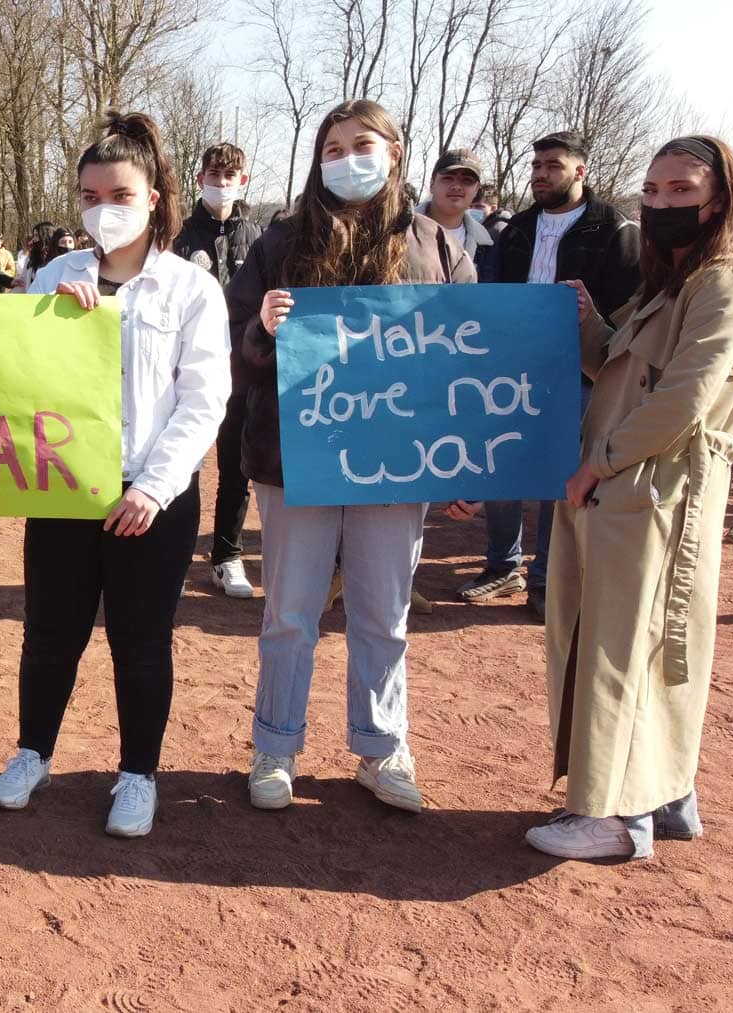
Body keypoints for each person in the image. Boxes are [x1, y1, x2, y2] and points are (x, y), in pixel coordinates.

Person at [226, 99, 476, 815]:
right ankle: (275, 744)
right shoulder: (279, 240)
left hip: (397, 461)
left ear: (395, 153)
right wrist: (260, 330)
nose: (346, 158)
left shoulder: (439, 245)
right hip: (291, 455)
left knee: (382, 612)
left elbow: (468, 355)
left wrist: (461, 462)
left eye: (361, 144)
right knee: (290, 613)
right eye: (332, 148)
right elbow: (237, 338)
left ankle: (382, 744)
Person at [527, 136, 733, 861]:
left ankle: (614, 815)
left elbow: (684, 399)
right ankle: (667, 794)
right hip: (630, 488)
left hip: (655, 489)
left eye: (682, 189)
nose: (663, 202)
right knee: (643, 642)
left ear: (720, 197)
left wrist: (596, 465)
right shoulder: (675, 279)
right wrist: (588, 322)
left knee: (625, 646)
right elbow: (619, 365)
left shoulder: (725, 281)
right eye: (654, 189)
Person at [0, 112, 230, 837]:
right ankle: (33, 752)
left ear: (154, 195)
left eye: (120, 193)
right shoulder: (56, 276)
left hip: (152, 500)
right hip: (64, 489)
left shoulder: (192, 289)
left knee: (142, 639)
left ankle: (137, 773)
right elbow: (7, 375)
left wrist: (154, 487)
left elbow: (204, 397)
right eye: (90, 195)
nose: (104, 209)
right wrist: (47, 324)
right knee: (50, 633)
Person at [466, 131, 640, 620]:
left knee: (558, 476)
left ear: (580, 171)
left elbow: (628, 309)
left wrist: (589, 319)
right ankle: (502, 565)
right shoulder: (516, 228)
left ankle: (546, 578)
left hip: (580, 374)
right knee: (501, 463)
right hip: (513, 369)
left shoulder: (613, 229)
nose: (541, 173)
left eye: (553, 166)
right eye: (536, 165)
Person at [172, 142, 261, 599]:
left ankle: (227, 556)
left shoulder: (260, 236)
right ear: (200, 178)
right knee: (180, 458)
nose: (221, 183)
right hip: (185, 369)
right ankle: (172, 550)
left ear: (243, 180)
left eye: (230, 176)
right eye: (213, 175)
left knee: (235, 467)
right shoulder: (180, 235)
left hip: (242, 370)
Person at [418, 149, 496, 281]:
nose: (457, 186)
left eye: (467, 181)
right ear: (432, 184)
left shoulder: (486, 245)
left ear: (476, 189)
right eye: (448, 178)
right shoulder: (397, 232)